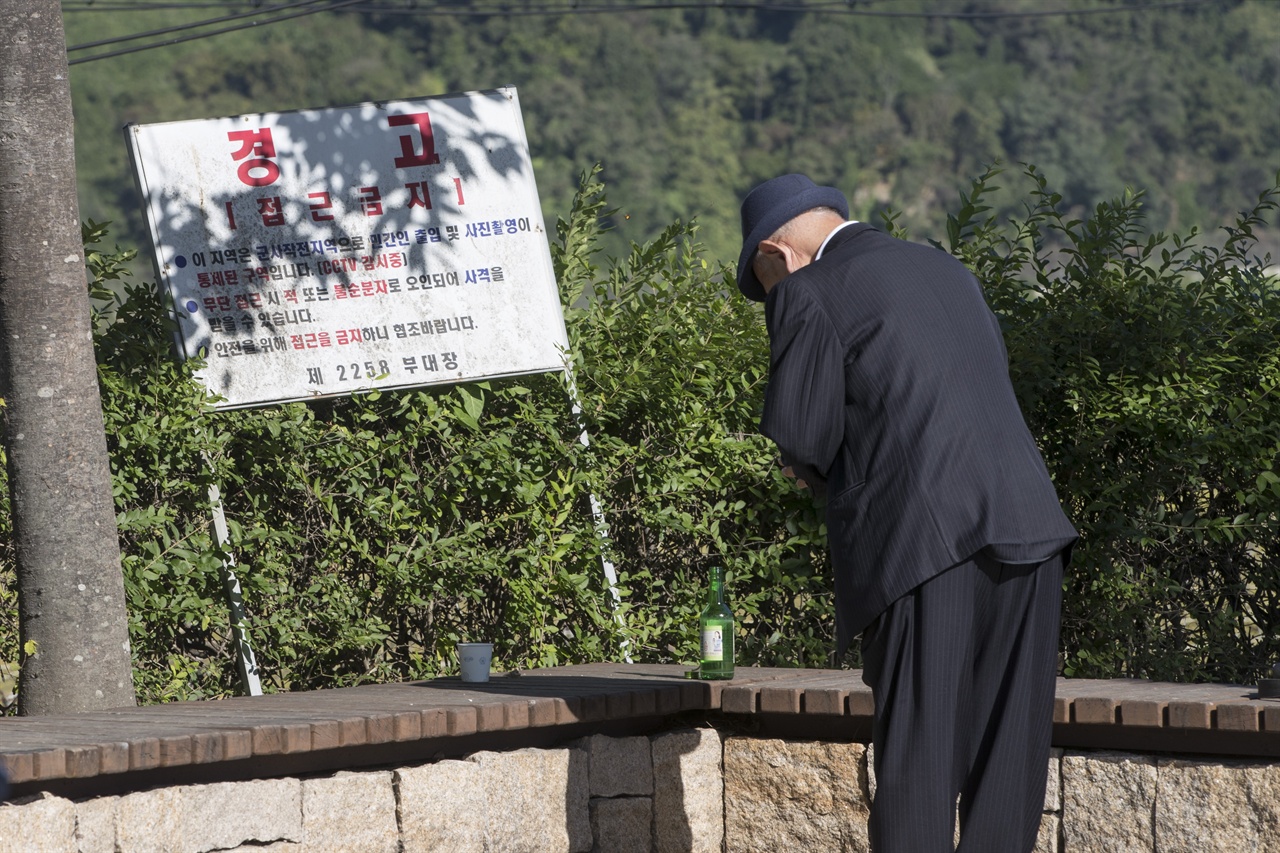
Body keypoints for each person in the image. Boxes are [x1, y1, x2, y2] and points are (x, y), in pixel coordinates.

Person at [737, 174, 1078, 853]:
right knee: (1006, 770)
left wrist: (806, 461)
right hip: (1031, 524)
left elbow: (801, 436)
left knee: (920, 767)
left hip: (926, 541)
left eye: (763, 283)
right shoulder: (944, 268)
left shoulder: (805, 288)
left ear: (775, 253)